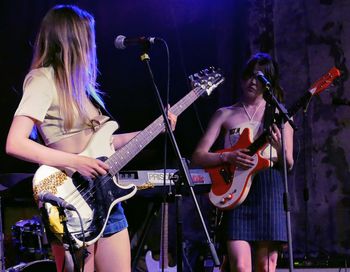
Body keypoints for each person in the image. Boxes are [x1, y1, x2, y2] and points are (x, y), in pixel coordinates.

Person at [6, 5, 177, 272]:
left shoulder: (83, 90)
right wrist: (75, 161)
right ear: (73, 39)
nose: (92, 45)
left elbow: (107, 144)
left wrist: (157, 129)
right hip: (70, 199)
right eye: (88, 36)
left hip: (105, 196)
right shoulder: (43, 79)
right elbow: (15, 142)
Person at [191, 52, 294, 272]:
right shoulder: (224, 114)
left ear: (269, 82)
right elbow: (198, 155)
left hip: (269, 187)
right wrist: (226, 156)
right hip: (235, 189)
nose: (252, 81)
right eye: (248, 75)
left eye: (259, 77)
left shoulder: (279, 113)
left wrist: (278, 148)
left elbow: (289, 164)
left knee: (266, 267)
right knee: (240, 266)